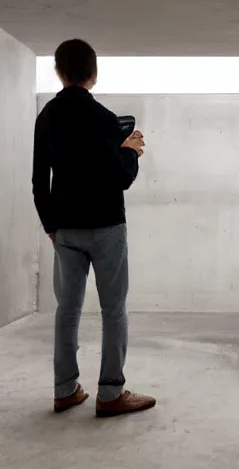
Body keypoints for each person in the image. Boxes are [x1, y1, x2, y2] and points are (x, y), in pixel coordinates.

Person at [32, 39, 156, 417]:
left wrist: (52, 225)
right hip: (105, 227)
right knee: (113, 310)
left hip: (65, 229)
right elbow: (119, 177)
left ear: (59, 71)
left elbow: (40, 180)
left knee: (67, 311)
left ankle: (65, 390)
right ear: (93, 73)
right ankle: (110, 394)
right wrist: (131, 151)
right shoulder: (104, 118)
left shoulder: (47, 117)